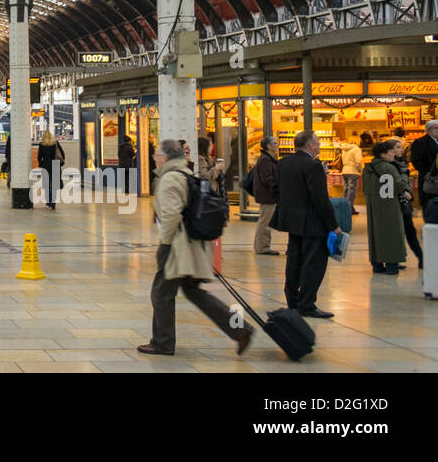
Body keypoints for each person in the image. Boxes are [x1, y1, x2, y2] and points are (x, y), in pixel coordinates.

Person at [137, 140, 252, 357]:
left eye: (156, 155)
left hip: (177, 247)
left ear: (166, 157)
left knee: (161, 294)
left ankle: (162, 342)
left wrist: (166, 244)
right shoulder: (185, 174)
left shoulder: (169, 178)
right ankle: (240, 330)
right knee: (194, 291)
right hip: (192, 245)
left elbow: (171, 216)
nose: (154, 158)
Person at [271, 130, 341, 319]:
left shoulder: (284, 163)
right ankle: (307, 304)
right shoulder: (313, 166)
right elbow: (320, 198)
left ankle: (292, 301)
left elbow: (275, 189)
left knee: (294, 260)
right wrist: (333, 224)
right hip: (312, 222)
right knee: (314, 263)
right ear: (310, 145)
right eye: (317, 142)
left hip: (292, 221)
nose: (319, 145)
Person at [362, 140, 406, 275]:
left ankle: (377, 264)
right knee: (392, 233)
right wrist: (404, 176)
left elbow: (365, 189)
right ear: (383, 154)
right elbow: (399, 186)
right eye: (391, 151)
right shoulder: (390, 168)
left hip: (373, 206)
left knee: (375, 234)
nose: (393, 154)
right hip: (390, 205)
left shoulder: (367, 168)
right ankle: (392, 265)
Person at [394, 142, 424, 270]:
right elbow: (396, 183)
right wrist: (404, 192)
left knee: (409, 230)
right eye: (398, 147)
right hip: (398, 202)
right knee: (401, 231)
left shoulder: (402, 163)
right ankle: (395, 260)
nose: (401, 149)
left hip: (406, 202)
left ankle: (421, 257)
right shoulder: (391, 165)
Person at [250, 135, 280, 255]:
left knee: (264, 220)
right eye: (274, 143)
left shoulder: (269, 158)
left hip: (267, 195)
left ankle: (259, 245)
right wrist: (279, 182)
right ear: (268, 146)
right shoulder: (265, 159)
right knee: (266, 221)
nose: (277, 145)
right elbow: (267, 178)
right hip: (267, 195)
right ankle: (263, 247)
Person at [409, 121, 438, 212]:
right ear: (428, 130)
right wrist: (429, 173)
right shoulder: (420, 142)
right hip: (429, 180)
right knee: (430, 206)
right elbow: (416, 161)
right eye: (436, 128)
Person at [36, 131, 65, 211]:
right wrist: (61, 163)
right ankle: (53, 203)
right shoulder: (55, 143)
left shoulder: (41, 144)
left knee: (47, 185)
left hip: (45, 165)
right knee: (54, 186)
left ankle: (48, 202)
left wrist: (41, 164)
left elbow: (39, 157)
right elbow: (62, 153)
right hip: (55, 165)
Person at [339, 135, 364, 216]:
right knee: (351, 191)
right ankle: (349, 209)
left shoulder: (344, 149)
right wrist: (360, 170)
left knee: (346, 190)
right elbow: (358, 161)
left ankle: (347, 208)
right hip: (353, 171)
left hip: (344, 170)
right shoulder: (357, 149)